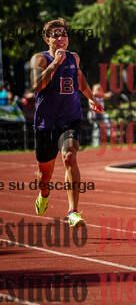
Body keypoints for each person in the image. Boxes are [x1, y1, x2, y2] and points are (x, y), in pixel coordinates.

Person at [29, 18, 103, 227]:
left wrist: (91, 98)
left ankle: (73, 211)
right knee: (44, 175)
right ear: (47, 39)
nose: (61, 38)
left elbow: (79, 78)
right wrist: (55, 63)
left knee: (69, 156)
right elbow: (36, 86)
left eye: (64, 34)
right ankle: (44, 194)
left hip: (70, 118)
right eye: (56, 35)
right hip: (46, 123)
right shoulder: (39, 59)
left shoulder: (73, 57)